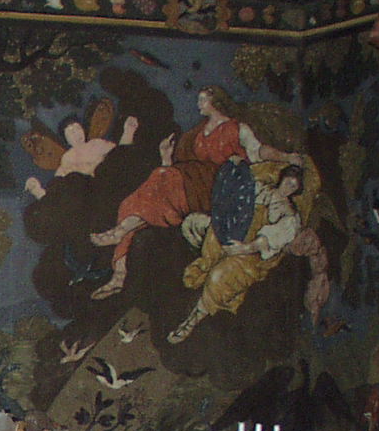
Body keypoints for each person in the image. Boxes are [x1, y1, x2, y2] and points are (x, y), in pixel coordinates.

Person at [88, 86, 301, 300]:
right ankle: (120, 273)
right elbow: (181, 165)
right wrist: (166, 156)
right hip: (185, 182)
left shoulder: (237, 128)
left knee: (161, 179)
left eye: (202, 100)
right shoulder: (198, 132)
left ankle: (120, 232)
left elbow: (259, 151)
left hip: (213, 187)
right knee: (135, 205)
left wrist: (286, 157)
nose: (199, 104)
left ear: (215, 102)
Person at [168, 163, 308, 344]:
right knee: (199, 228)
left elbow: (266, 241)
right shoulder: (261, 189)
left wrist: (243, 248)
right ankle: (200, 273)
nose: (289, 187)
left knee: (219, 277)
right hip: (233, 234)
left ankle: (191, 321)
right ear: (282, 178)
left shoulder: (289, 216)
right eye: (288, 181)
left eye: (294, 186)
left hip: (250, 254)